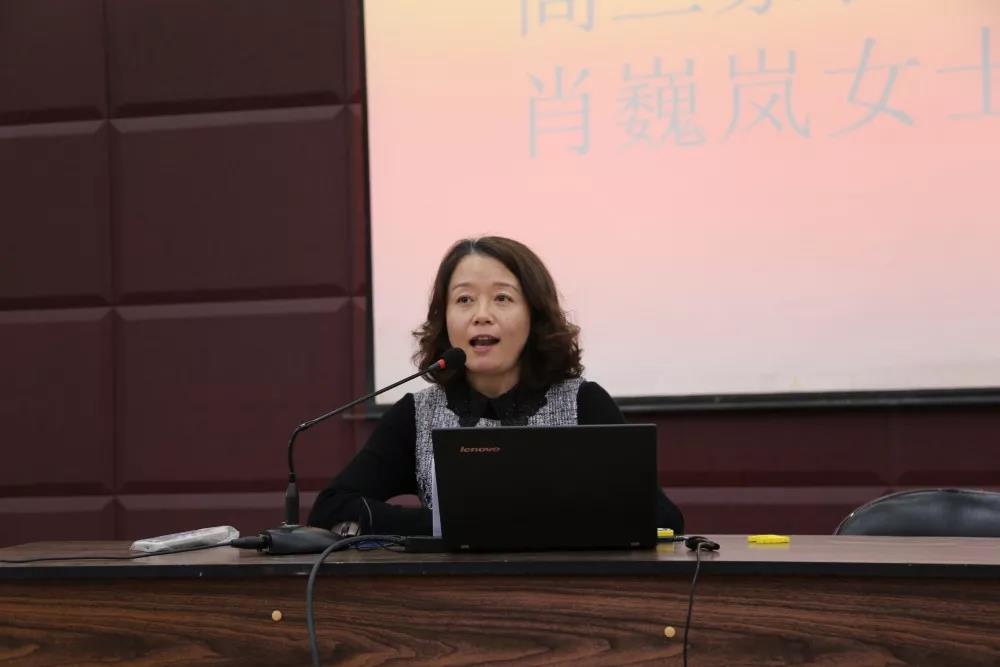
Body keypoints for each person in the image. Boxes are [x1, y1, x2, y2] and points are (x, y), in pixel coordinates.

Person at [308, 236, 684, 535]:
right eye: (464, 299)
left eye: (502, 298)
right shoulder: (417, 414)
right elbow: (332, 508)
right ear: (444, 317)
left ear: (534, 315)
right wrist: (443, 527)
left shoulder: (582, 403)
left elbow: (663, 518)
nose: (482, 315)